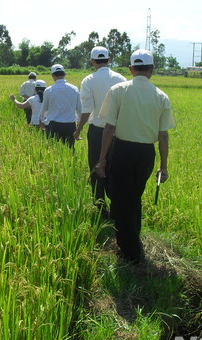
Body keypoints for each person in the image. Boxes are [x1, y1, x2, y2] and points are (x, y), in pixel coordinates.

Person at [96, 49, 176, 264]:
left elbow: (109, 127)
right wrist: (164, 166)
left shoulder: (118, 91)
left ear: (131, 69)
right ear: (151, 70)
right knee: (133, 197)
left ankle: (130, 252)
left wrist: (102, 159)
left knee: (122, 201)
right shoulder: (161, 96)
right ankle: (132, 241)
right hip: (145, 155)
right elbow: (163, 135)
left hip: (121, 150)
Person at [74, 46, 126, 216]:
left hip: (97, 131)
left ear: (92, 61)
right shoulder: (121, 79)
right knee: (115, 167)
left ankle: (100, 207)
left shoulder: (89, 80)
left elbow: (86, 109)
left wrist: (78, 130)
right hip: (119, 131)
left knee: (97, 166)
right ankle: (117, 205)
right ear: (109, 60)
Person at [39, 64, 81, 148]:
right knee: (70, 150)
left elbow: (44, 108)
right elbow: (79, 109)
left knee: (53, 151)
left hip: (54, 125)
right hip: (70, 126)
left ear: (53, 75)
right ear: (64, 74)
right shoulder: (74, 89)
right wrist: (79, 125)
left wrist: (41, 120)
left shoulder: (48, 90)